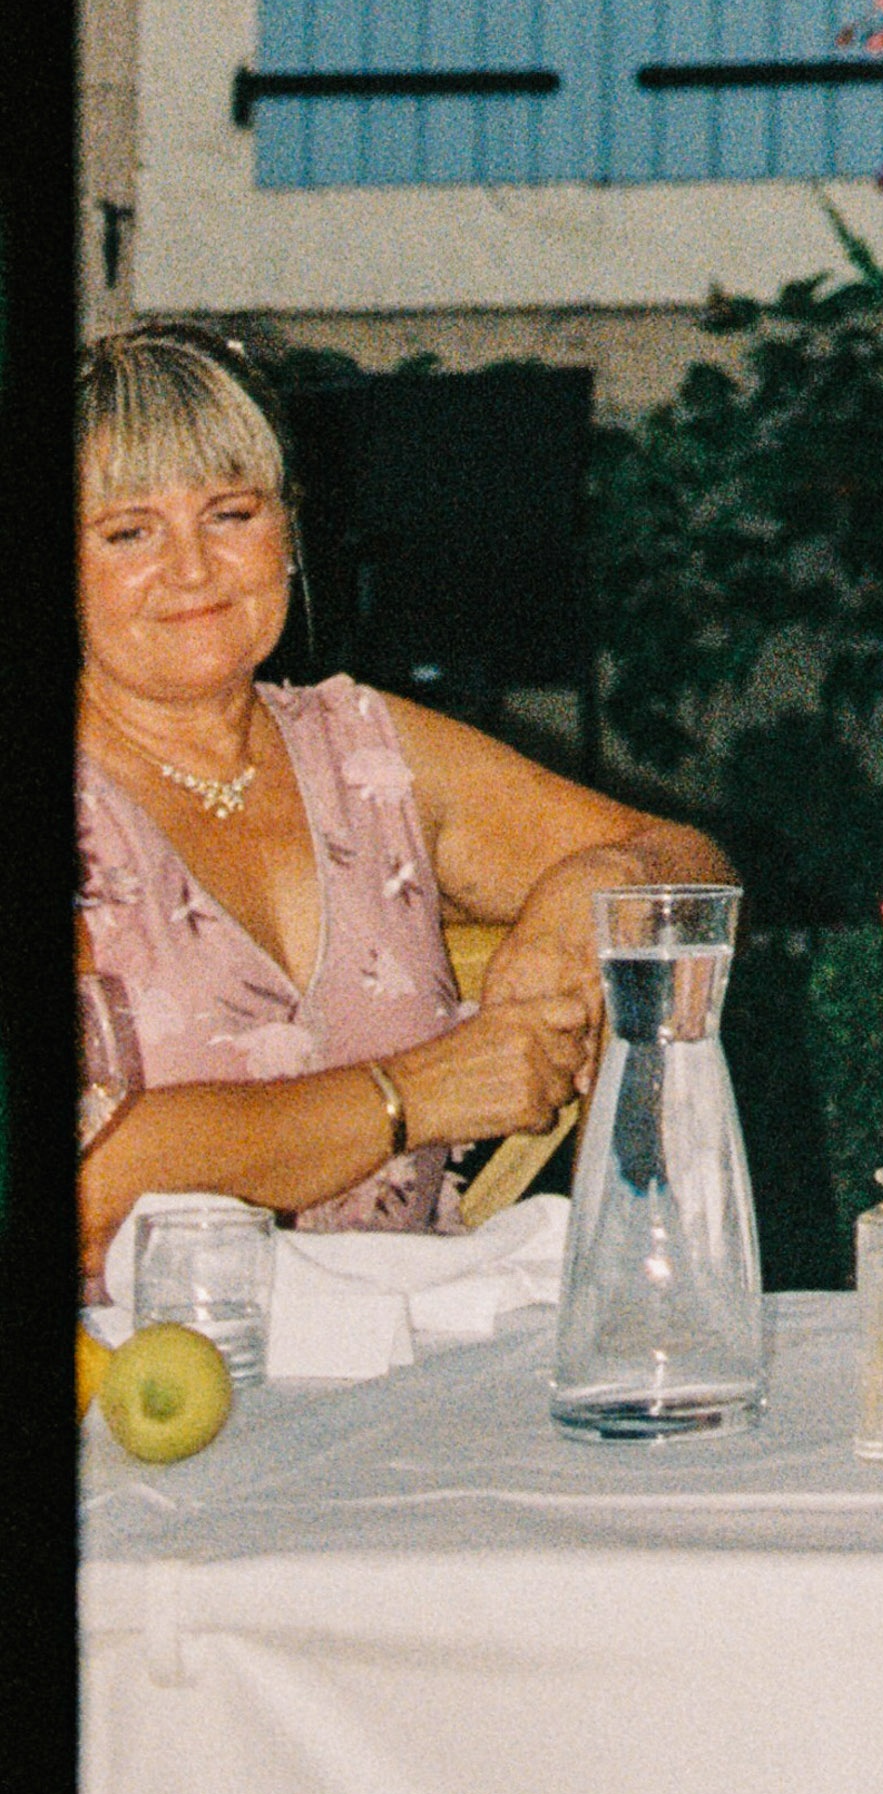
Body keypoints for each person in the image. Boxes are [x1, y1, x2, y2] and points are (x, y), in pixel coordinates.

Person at [76, 323, 728, 1294]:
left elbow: (690, 865)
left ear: (289, 532)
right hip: (124, 1400)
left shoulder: (363, 748)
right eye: (131, 530)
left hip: (412, 1383)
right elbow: (93, 1186)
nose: (195, 568)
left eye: (231, 513)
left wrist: (595, 887)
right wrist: (412, 1097)